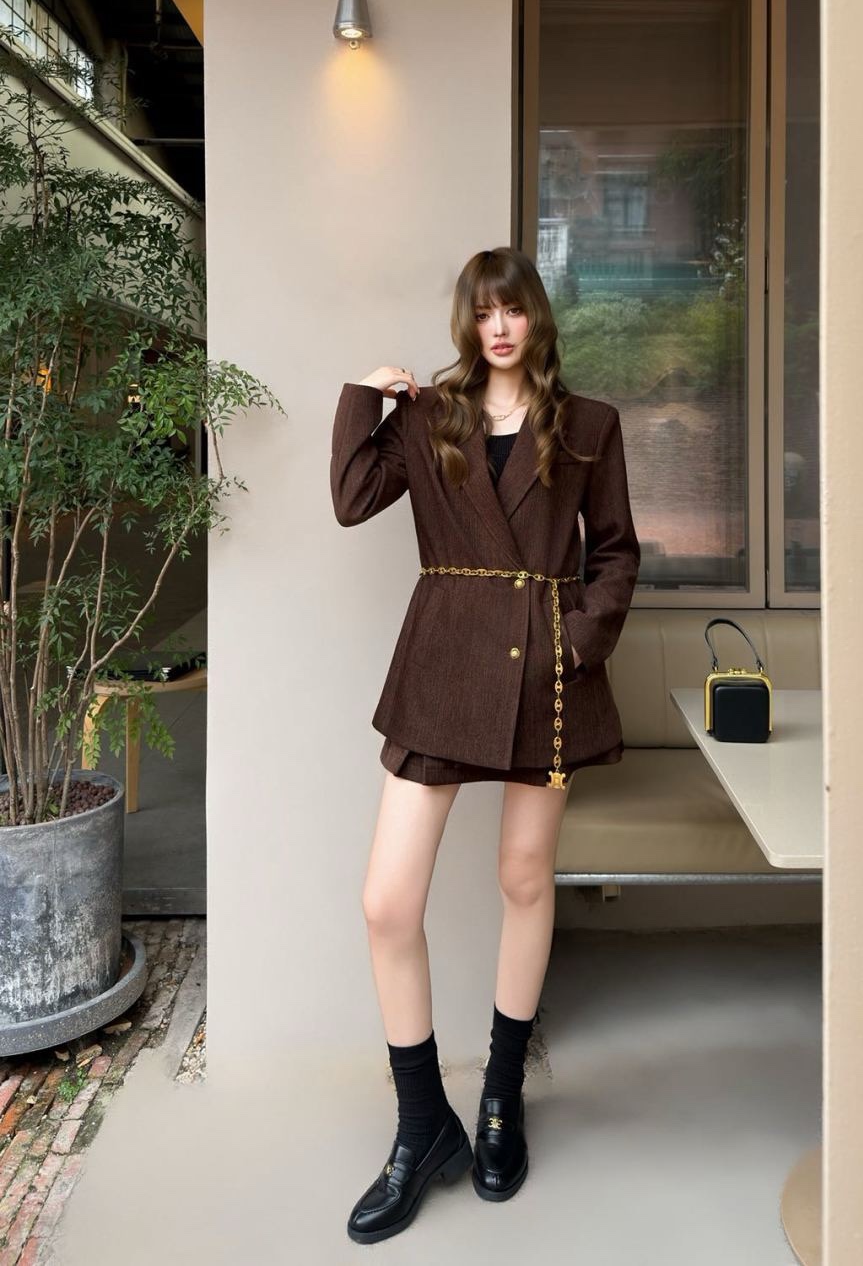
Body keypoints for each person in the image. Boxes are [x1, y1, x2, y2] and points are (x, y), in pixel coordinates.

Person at [331, 246, 640, 1245]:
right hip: (444, 666)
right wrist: (366, 398)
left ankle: (501, 1095)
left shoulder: (588, 425)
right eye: (482, 311)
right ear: (467, 323)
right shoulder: (432, 419)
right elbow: (352, 498)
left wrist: (577, 642)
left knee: (522, 878)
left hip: (543, 672)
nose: (498, 327)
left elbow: (616, 550)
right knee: (388, 902)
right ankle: (423, 1123)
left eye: (513, 310)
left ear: (535, 317)